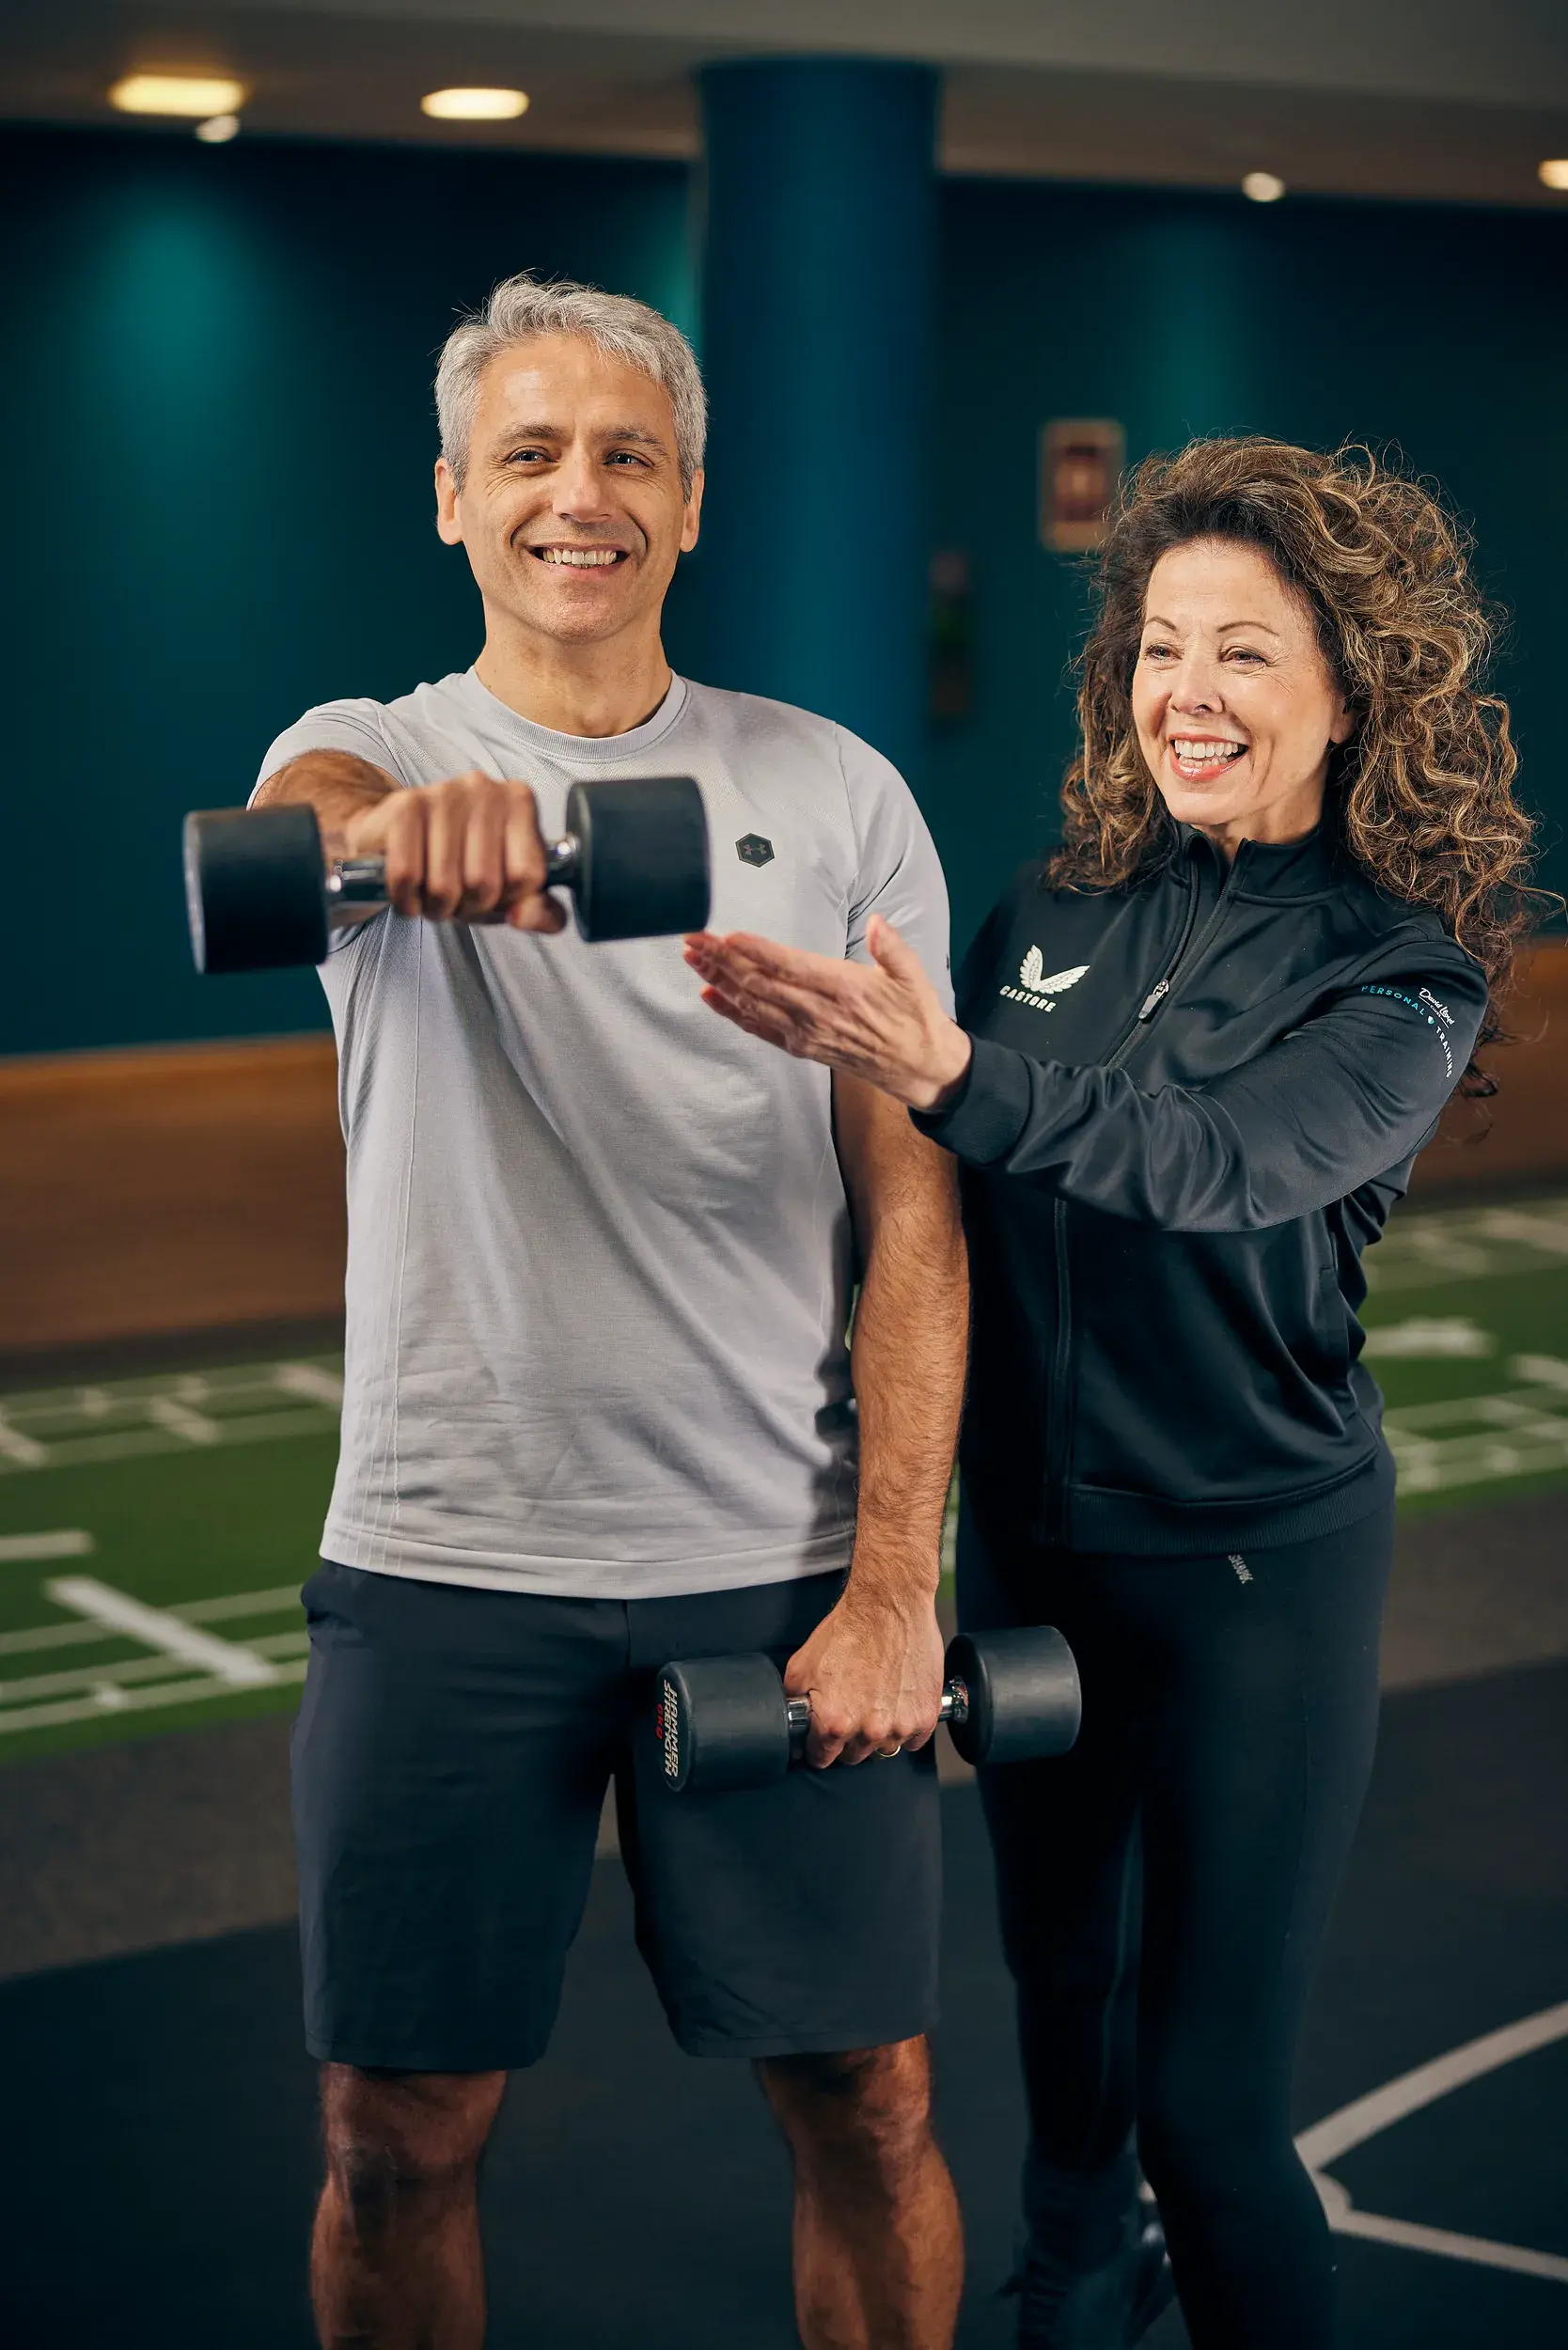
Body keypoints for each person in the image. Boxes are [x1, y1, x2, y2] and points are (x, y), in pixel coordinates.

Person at [685, 436, 1541, 2350]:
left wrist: (955, 1070)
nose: (1191, 695)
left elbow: (1214, 1159)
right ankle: (1075, 2280)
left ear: (1351, 690)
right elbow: (933, 1206)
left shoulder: (1400, 975)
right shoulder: (1053, 902)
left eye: (1246, 652)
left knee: (1212, 2108)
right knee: (1062, 2031)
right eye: (1165, 645)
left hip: (1256, 1575)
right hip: (1039, 1555)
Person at [252, 274, 969, 2350]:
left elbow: (914, 1215)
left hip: (772, 1563)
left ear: (694, 496)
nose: (586, 494)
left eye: (630, 453)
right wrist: (399, 838)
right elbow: (299, 826)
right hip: (445, 1559)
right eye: (535, 456)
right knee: (398, 2125)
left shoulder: (831, 791)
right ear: (457, 502)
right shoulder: (377, 748)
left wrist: (897, 1577)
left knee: (872, 2089)